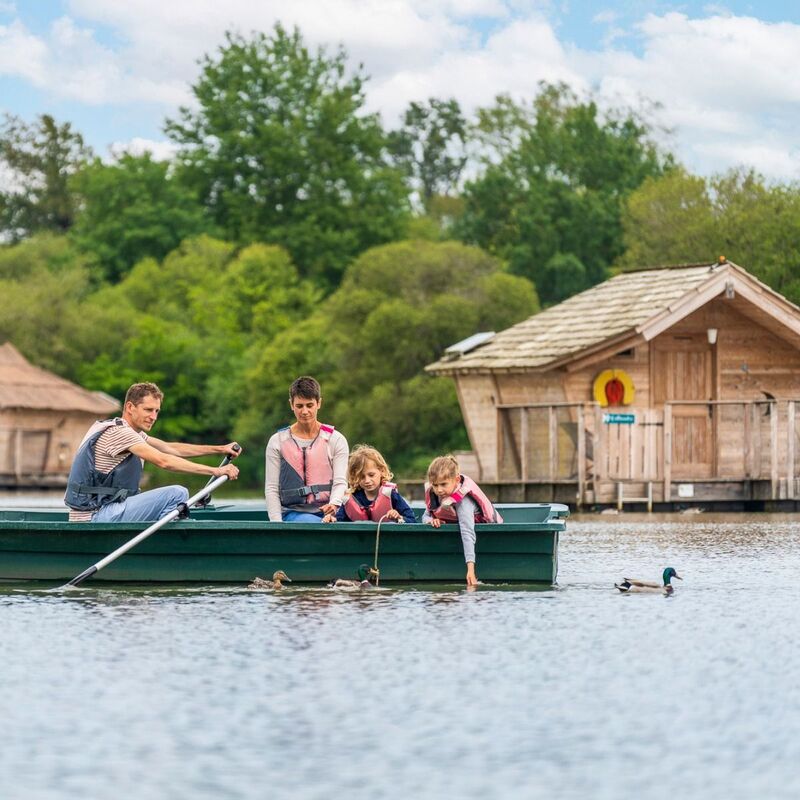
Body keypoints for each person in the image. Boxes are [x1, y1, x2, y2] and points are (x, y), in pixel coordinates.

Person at [65, 382, 240, 523]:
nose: (154, 417)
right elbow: (164, 461)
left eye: (156, 411)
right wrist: (216, 471)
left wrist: (220, 449)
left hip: (104, 512)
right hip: (95, 517)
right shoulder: (118, 433)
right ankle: (172, 532)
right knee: (177, 493)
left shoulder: (131, 433)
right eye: (148, 410)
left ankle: (170, 524)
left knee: (176, 500)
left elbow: (171, 449)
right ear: (130, 407)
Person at [265, 376, 348, 522]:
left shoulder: (336, 439)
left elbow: (340, 482)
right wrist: (277, 525)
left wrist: (334, 504)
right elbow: (271, 489)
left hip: (332, 513)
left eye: (309, 405)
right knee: (312, 523)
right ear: (291, 404)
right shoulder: (276, 442)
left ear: (319, 403)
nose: (304, 411)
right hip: (294, 514)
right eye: (299, 406)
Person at [423, 454, 503, 586]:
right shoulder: (436, 495)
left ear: (457, 479)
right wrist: (430, 521)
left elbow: (467, 533)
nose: (439, 490)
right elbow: (425, 515)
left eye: (443, 484)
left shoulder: (463, 501)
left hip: (478, 529)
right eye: (435, 485)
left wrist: (470, 570)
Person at [334, 445, 416, 524]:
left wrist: (399, 517)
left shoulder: (391, 494)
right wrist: (331, 519)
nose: (367, 480)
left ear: (381, 471)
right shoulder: (353, 497)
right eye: (361, 477)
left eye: (371, 475)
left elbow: (412, 520)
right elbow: (338, 521)